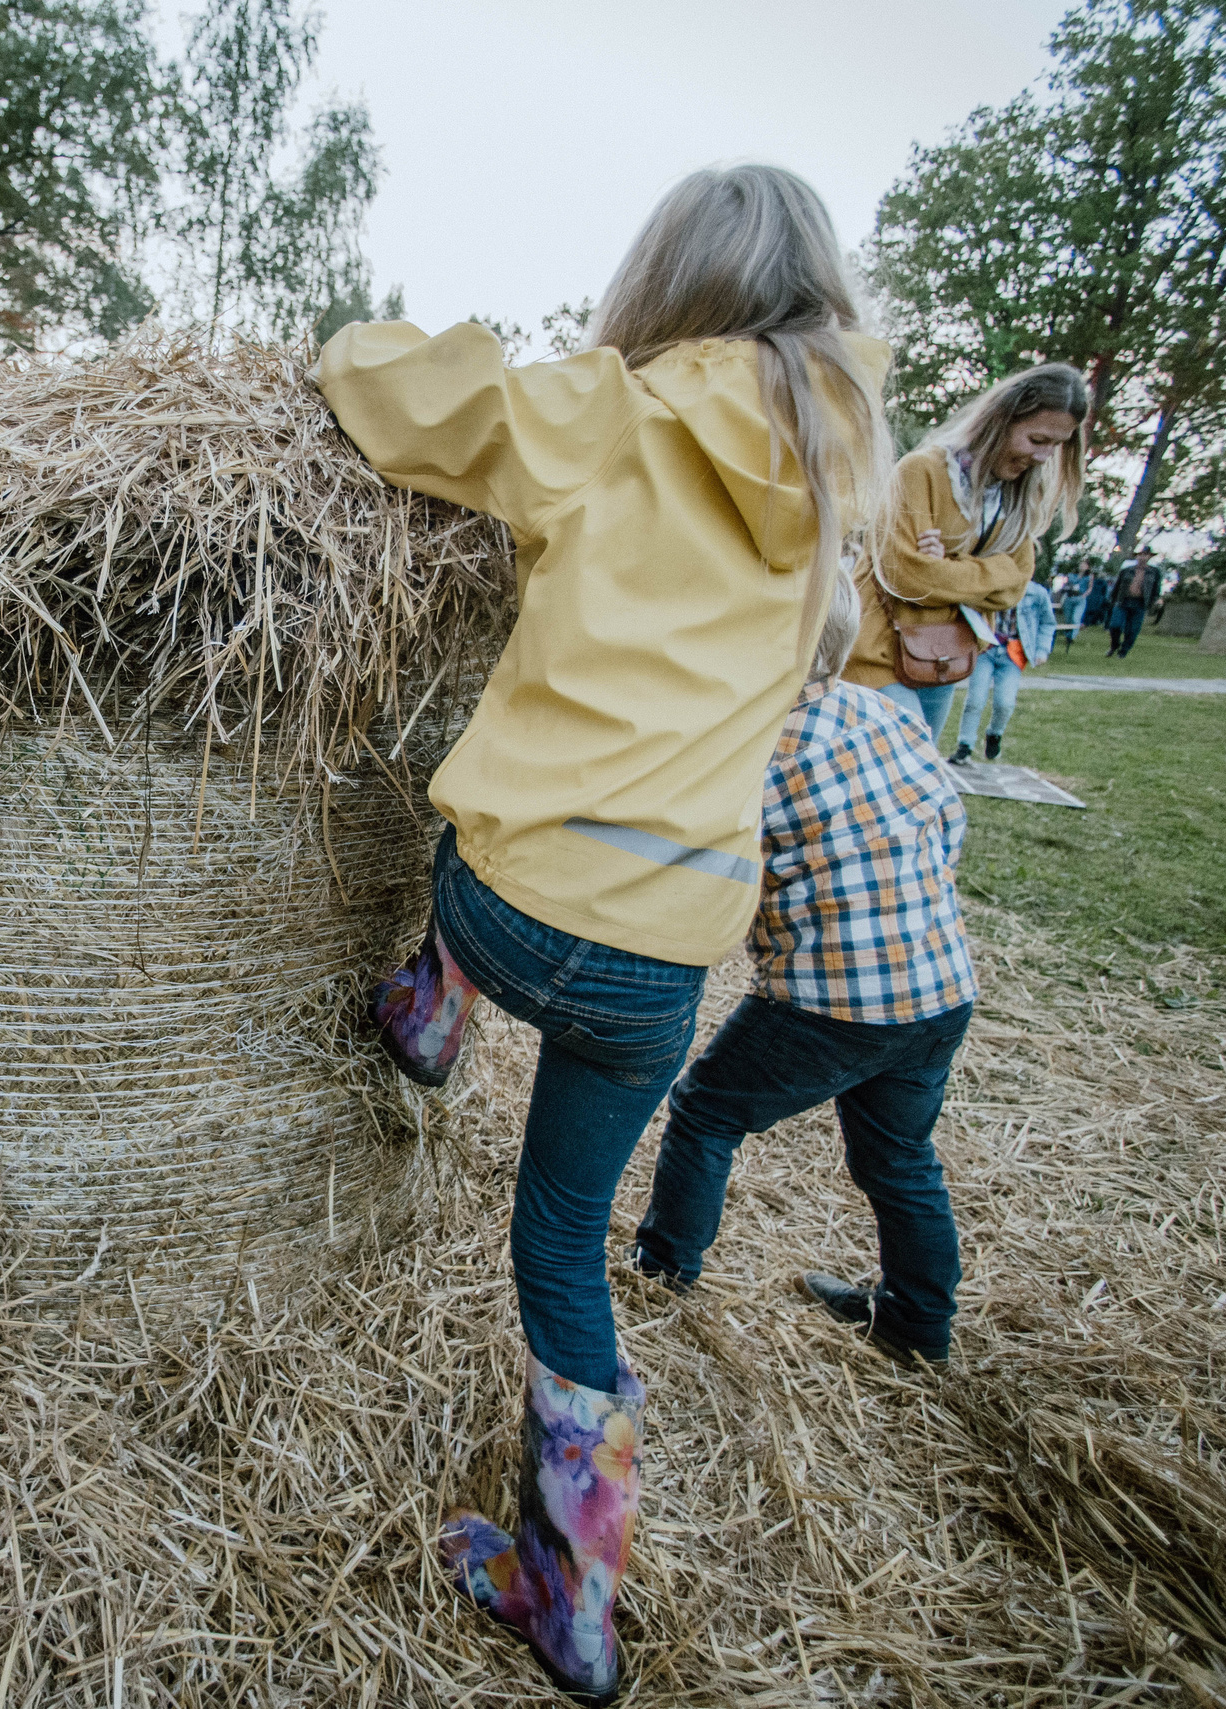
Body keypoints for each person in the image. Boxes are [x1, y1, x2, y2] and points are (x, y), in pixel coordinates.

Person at [330, 163, 898, 1701]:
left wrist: (352, 336)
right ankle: (572, 1599)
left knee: (457, 811)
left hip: (517, 914)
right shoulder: (835, 488)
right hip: (667, 958)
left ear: (673, 280)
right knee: (562, 1246)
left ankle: (432, 1007)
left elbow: (393, 394)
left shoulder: (616, 410)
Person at [629, 573, 974, 1366]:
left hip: (829, 1002)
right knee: (900, 1157)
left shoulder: (748, 750)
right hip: (939, 987)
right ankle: (920, 1324)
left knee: (707, 1110)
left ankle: (663, 1270)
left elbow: (713, 877)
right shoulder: (888, 713)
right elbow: (949, 822)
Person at [846, 365, 1088, 745]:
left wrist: (947, 566)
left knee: (921, 771)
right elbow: (907, 577)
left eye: (1056, 445)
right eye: (1037, 439)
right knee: (905, 761)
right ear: (1002, 419)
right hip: (877, 651)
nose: (1043, 456)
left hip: (944, 657)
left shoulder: (1017, 498)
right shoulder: (922, 471)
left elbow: (1015, 586)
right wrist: (993, 569)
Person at [950, 573, 1054, 765]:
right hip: (986, 650)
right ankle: (965, 745)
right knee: (975, 700)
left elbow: (1048, 623)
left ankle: (995, 734)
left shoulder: (1035, 593)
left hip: (1012, 653)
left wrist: (1042, 650)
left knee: (1005, 703)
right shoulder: (989, 584)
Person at [1105, 548, 1161, 657]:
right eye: (1140, 555)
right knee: (1115, 625)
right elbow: (1117, 586)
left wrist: (1155, 600)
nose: (1142, 557)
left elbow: (1156, 589)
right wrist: (1112, 600)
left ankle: (1123, 651)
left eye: (1145, 555)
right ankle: (1114, 645)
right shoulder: (1127, 570)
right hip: (1123, 601)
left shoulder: (1154, 572)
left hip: (1140, 603)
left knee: (1132, 630)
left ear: (1149, 557)